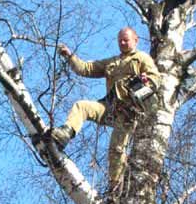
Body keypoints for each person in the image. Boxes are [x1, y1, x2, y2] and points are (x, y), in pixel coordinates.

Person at [51, 27, 160, 192]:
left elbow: (155, 79)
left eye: (126, 40)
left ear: (135, 40)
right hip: (109, 107)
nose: (122, 43)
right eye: (120, 41)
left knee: (116, 150)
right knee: (82, 106)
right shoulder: (111, 62)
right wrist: (69, 55)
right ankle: (65, 133)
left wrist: (146, 81)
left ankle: (115, 187)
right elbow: (86, 68)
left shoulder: (141, 58)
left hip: (129, 112)